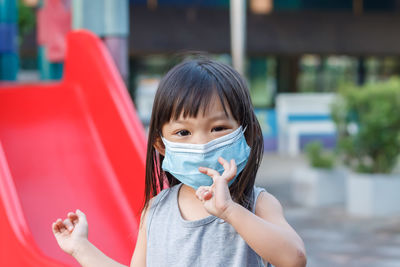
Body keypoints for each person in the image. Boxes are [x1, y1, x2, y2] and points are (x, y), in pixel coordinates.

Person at [52, 58, 307, 267]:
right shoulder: (156, 210)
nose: (201, 144)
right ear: (161, 145)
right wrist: (80, 248)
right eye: (183, 132)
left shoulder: (257, 203)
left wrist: (230, 211)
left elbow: (294, 258)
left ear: (246, 133)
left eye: (218, 128)